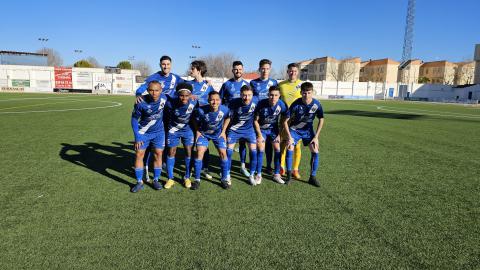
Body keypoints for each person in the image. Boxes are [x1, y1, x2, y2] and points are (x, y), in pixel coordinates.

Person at [134, 55, 184, 182]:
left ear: (171, 65)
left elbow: (187, 85)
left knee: (166, 138)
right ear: (160, 65)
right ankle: (146, 165)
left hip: (170, 112)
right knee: (152, 140)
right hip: (157, 111)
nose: (166, 66)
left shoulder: (175, 77)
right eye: (163, 64)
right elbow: (142, 88)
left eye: (168, 64)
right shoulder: (153, 77)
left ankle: (163, 164)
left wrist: (205, 82)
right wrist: (139, 94)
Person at [283, 82, 324, 187]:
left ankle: (312, 177)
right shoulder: (296, 104)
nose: (306, 95)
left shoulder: (316, 104)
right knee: (290, 147)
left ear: (312, 92)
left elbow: (321, 119)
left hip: (308, 131)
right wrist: (289, 136)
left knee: (315, 150)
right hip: (295, 130)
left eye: (309, 93)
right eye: (304, 93)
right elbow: (285, 121)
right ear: (301, 93)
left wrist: (316, 137)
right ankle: (288, 176)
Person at [130, 81, 168, 192]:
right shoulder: (140, 102)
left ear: (161, 90)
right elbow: (133, 119)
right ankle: (139, 182)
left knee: (158, 154)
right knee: (139, 154)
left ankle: (156, 179)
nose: (154, 93)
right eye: (151, 90)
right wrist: (137, 137)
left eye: (157, 90)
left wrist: (191, 95)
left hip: (159, 132)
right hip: (143, 133)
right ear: (147, 90)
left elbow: (179, 97)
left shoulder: (164, 98)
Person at [191, 91, 230, 190]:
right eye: (212, 100)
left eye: (217, 100)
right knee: (199, 152)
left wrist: (224, 131)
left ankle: (224, 179)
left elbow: (228, 118)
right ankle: (197, 180)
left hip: (218, 134)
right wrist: (197, 131)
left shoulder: (225, 110)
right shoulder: (201, 110)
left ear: (220, 101)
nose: (214, 102)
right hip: (204, 134)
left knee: (223, 153)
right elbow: (194, 120)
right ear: (208, 100)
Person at [163, 82, 198, 189]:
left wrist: (197, 131)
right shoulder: (170, 104)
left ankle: (187, 176)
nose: (184, 98)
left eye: (186, 95)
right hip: (173, 130)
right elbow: (165, 118)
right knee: (171, 152)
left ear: (190, 95)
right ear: (178, 95)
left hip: (187, 130)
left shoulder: (194, 102)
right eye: (181, 95)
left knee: (188, 151)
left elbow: (195, 117)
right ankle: (170, 178)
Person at [219, 61, 250, 177]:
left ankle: (242, 166)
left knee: (243, 143)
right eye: (236, 69)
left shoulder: (247, 85)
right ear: (232, 70)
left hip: (242, 120)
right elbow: (220, 100)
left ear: (243, 70)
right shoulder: (227, 84)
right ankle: (226, 166)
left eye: (240, 69)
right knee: (228, 144)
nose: (238, 71)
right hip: (229, 120)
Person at [225, 85, 259, 186]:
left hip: (249, 130)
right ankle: (227, 174)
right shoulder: (234, 103)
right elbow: (228, 118)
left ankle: (251, 175)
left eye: (249, 95)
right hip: (235, 130)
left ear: (252, 95)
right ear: (240, 95)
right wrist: (223, 131)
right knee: (229, 152)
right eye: (244, 95)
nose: (246, 98)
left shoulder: (256, 101)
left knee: (253, 152)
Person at [253, 86, 288, 185]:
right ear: (268, 95)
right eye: (271, 95)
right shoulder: (261, 104)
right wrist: (259, 135)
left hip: (274, 130)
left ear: (279, 96)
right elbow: (255, 120)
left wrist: (280, 134)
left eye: (276, 95)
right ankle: (259, 174)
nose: (273, 97)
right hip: (262, 130)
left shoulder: (281, 104)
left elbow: (285, 118)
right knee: (260, 149)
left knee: (277, 149)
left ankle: (276, 174)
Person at [187, 60, 216, 180]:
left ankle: (205, 167)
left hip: (204, 120)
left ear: (199, 70)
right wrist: (188, 96)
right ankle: (193, 167)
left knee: (204, 145)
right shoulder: (188, 84)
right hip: (191, 118)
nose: (190, 70)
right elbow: (180, 94)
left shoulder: (208, 86)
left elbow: (215, 98)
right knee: (192, 143)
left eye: (192, 69)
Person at [250, 59, 278, 175]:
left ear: (270, 69)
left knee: (270, 145)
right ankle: (257, 166)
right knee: (258, 143)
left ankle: (268, 166)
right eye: (263, 68)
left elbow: (277, 98)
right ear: (259, 69)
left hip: (270, 117)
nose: (265, 71)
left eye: (267, 68)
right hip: (257, 116)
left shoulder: (274, 82)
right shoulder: (253, 83)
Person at [279, 63, 303, 179]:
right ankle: (281, 167)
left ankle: (295, 169)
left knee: (297, 145)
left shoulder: (301, 85)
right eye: (290, 71)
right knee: (283, 143)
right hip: (284, 118)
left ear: (297, 72)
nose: (292, 73)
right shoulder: (281, 85)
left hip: (297, 120)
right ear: (287, 72)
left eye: (295, 71)